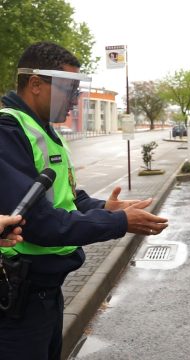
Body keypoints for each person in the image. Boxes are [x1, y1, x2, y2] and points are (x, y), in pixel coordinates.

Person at [0, 41, 168, 360]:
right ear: (35, 84)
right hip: (18, 300)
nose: (75, 100)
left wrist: (105, 207)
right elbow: (39, 223)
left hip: (46, 292)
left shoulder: (45, 131)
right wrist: (119, 222)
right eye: (68, 88)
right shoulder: (8, 131)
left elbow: (68, 199)